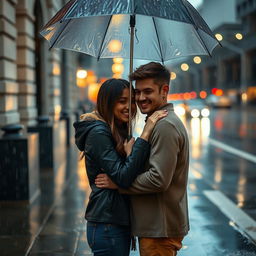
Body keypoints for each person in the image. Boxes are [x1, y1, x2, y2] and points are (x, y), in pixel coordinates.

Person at [95, 62, 190, 256]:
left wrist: (118, 184)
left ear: (164, 90)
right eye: (137, 93)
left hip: (159, 229)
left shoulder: (165, 126)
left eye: (148, 91)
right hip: (154, 227)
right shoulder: (157, 122)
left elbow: (158, 179)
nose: (140, 98)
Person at [73, 78, 168, 256]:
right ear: (107, 103)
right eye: (122, 101)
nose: (129, 107)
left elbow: (124, 175)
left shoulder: (116, 130)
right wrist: (146, 133)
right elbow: (123, 177)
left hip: (114, 221)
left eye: (131, 101)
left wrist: (129, 156)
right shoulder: (99, 133)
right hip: (107, 223)